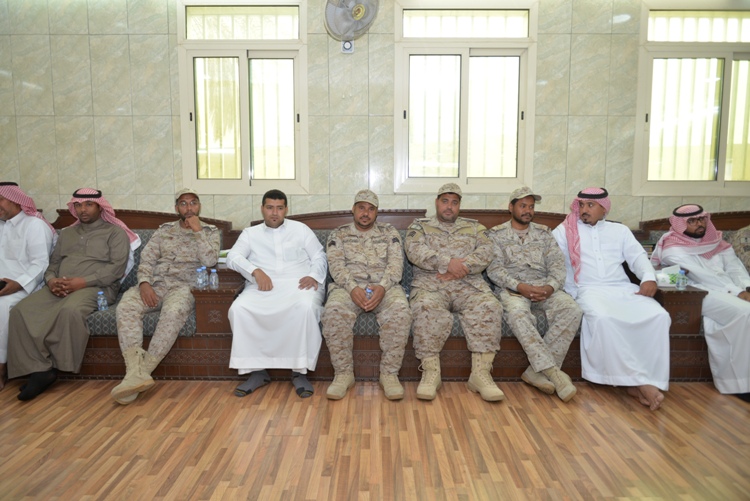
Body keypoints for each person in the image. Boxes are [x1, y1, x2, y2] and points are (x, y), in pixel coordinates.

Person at [7, 188, 137, 401]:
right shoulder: (66, 233)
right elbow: (53, 264)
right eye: (78, 205)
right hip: (60, 285)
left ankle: (57, 367)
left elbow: (115, 270)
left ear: (100, 207)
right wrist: (51, 281)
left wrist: (82, 282)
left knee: (70, 310)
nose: (82, 209)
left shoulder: (115, 233)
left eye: (88, 204)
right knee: (20, 310)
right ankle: (38, 369)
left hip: (97, 288)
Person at [551, 187, 670, 411]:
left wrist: (648, 278)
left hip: (622, 288)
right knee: (603, 319)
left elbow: (637, 257)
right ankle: (638, 384)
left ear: (604, 208)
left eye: (590, 205)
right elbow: (557, 265)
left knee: (658, 316)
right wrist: (570, 292)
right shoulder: (564, 231)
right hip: (587, 290)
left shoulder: (620, 231)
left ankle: (646, 380)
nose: (584, 210)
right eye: (582, 205)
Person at [111, 188, 220, 405]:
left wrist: (198, 231)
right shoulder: (164, 230)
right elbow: (147, 260)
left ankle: (140, 374)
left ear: (199, 206)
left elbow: (210, 261)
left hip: (184, 287)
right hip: (156, 284)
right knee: (126, 307)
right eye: (183, 203)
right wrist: (144, 283)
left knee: (173, 312)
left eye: (193, 203)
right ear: (176, 207)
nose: (189, 208)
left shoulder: (210, 231)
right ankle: (135, 373)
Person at [405, 183, 504, 402]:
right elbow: (414, 251)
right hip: (431, 285)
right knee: (424, 306)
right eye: (445, 201)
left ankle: (481, 375)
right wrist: (448, 263)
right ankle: (431, 373)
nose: (449, 206)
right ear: (436, 203)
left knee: (490, 305)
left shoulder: (475, 228)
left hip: (469, 285)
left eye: (454, 202)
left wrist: (462, 268)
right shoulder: (420, 226)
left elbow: (487, 252)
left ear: (459, 205)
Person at [227, 189, 327, 398]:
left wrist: (313, 276)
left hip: (299, 283)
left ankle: (299, 373)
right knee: (239, 309)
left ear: (286, 209)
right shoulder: (250, 233)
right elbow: (233, 257)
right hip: (262, 285)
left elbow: (319, 256)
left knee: (305, 308)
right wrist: (255, 271)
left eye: (279, 208)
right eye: (270, 208)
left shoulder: (301, 229)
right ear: (262, 209)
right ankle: (257, 372)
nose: (274, 213)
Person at [487, 187, 582, 402]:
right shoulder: (496, 235)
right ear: (511, 207)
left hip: (544, 288)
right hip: (513, 290)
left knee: (572, 309)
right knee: (518, 314)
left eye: (531, 206)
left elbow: (558, 267)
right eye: (523, 206)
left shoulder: (544, 234)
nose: (528, 210)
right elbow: (494, 270)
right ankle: (553, 373)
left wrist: (550, 288)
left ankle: (535, 371)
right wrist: (519, 286)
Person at [651, 204, 750, 400]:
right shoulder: (673, 248)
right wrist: (737, 292)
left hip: (730, 290)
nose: (699, 224)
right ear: (680, 224)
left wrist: (746, 288)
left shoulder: (718, 242)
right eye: (692, 221)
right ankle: (739, 384)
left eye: (701, 219)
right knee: (745, 312)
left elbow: (735, 268)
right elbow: (703, 277)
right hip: (700, 293)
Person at [321, 189, 411, 400]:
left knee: (400, 310)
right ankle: (343, 374)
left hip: (385, 287)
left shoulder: (389, 232)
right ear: (353, 209)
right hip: (347, 287)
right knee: (333, 310)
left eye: (371, 209)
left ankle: (389, 375)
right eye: (361, 208)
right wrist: (353, 288)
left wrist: (382, 287)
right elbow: (336, 266)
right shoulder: (339, 234)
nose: (365, 213)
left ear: (376, 212)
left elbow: (396, 265)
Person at [0, 182, 57, 390]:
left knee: (3, 307)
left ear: (16, 200)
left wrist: (18, 284)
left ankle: (1, 368)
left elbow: (40, 264)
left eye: (0, 199)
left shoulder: (35, 225)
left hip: (27, 286)